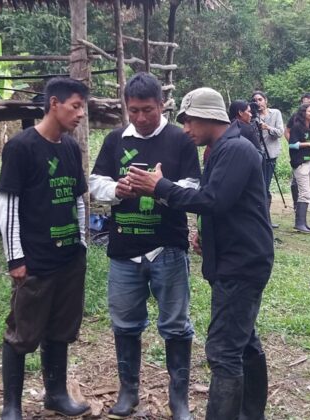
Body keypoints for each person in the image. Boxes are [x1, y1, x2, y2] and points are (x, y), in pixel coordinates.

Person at [126, 87, 274, 420]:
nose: (186, 128)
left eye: (190, 121)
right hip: (235, 257)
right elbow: (225, 205)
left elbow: (213, 201)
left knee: (223, 352)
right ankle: (252, 413)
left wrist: (160, 187)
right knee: (243, 341)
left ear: (209, 117)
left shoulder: (235, 149)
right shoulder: (221, 149)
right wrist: (209, 237)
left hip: (242, 263)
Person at [88, 73, 199, 419]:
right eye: (133, 110)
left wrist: (159, 187)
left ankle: (178, 399)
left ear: (162, 105)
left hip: (167, 248)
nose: (139, 117)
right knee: (124, 323)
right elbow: (96, 182)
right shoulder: (114, 140)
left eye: (147, 110)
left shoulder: (180, 140)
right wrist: (116, 191)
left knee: (176, 325)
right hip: (124, 251)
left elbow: (193, 187)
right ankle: (128, 392)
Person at [0, 77, 91, 420]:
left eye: (83, 107)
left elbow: (79, 199)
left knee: (61, 329)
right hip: (35, 260)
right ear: (54, 103)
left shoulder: (69, 148)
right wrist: (15, 258)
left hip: (69, 258)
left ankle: (56, 395)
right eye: (75, 106)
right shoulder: (21, 147)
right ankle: (12, 406)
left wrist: (81, 242)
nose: (80, 114)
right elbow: (7, 204)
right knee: (23, 332)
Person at [251, 91, 285, 228]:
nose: (258, 102)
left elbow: (280, 132)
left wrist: (267, 127)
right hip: (257, 153)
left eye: (260, 99)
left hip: (270, 154)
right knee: (259, 185)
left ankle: (266, 218)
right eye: (255, 100)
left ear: (266, 100)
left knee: (265, 185)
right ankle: (260, 217)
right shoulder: (253, 116)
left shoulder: (275, 113)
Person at [286, 104, 310, 232]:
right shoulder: (297, 127)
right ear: (303, 113)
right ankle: (299, 223)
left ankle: (304, 222)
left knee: (309, 191)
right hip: (300, 162)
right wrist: (308, 144)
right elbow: (292, 145)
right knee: (305, 192)